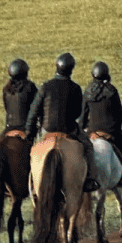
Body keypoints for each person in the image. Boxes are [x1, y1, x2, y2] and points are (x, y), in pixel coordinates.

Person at [24, 53, 99, 190]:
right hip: (69, 129)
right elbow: (77, 113)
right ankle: (90, 179)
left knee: (33, 150)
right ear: (71, 69)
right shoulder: (75, 88)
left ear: (56, 67)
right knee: (88, 146)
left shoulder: (45, 86)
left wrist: (29, 130)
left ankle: (30, 182)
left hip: (47, 129)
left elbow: (33, 111)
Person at [81, 61, 122, 186]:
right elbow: (119, 114)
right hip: (110, 131)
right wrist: (116, 129)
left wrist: (83, 128)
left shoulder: (88, 91)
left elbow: (83, 113)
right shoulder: (111, 90)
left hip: (92, 130)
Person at [2, 59, 37, 135]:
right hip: (26, 127)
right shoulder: (30, 87)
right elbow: (36, 106)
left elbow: (6, 108)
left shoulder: (6, 89)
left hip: (9, 126)